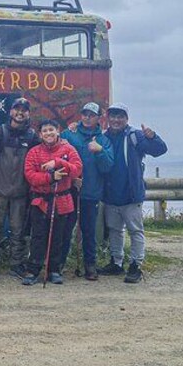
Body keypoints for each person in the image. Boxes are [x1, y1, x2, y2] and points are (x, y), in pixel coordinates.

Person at [99, 102, 168, 283]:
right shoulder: (103, 137)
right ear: (108, 118)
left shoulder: (135, 136)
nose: (116, 120)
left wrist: (153, 137)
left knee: (135, 231)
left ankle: (136, 265)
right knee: (115, 230)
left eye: (120, 116)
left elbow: (160, 150)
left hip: (131, 195)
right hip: (111, 195)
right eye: (113, 116)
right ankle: (116, 262)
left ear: (126, 119)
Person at [0, 97, 40, 279]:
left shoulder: (33, 137)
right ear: (11, 111)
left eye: (24, 110)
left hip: (21, 192)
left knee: (18, 230)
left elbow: (44, 154)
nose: (20, 113)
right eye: (17, 109)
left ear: (28, 114)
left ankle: (16, 264)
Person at [22, 119, 82, 285]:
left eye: (51, 130)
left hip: (62, 200)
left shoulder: (68, 149)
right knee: (38, 237)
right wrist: (50, 177)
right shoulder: (34, 152)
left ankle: (54, 270)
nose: (48, 133)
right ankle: (33, 270)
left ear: (58, 131)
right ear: (40, 134)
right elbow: (30, 175)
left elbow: (77, 169)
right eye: (45, 131)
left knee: (58, 237)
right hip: (40, 201)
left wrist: (58, 162)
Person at [61, 102, 114, 280]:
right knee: (65, 229)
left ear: (98, 117)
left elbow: (107, 167)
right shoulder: (69, 133)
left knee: (89, 231)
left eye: (91, 115)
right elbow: (57, 154)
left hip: (91, 193)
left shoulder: (104, 140)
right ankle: (58, 264)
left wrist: (99, 151)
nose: (87, 118)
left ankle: (90, 265)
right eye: (85, 114)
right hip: (69, 191)